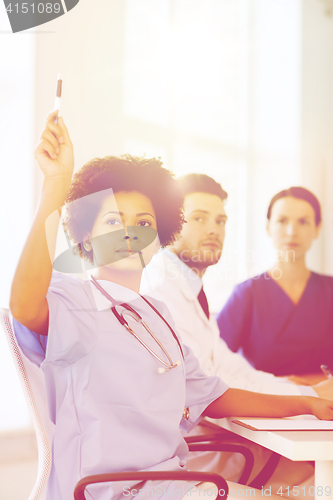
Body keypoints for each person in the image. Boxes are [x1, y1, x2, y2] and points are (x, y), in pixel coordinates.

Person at [10, 114, 333, 500]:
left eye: (144, 222)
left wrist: (307, 404)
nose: (131, 232)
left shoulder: (157, 313)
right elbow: (25, 307)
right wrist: (55, 187)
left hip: (175, 485)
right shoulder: (75, 299)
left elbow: (213, 396)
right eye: (114, 220)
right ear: (86, 240)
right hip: (115, 492)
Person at [141, 174, 333, 492]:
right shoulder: (161, 289)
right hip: (193, 453)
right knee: (319, 483)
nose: (214, 229)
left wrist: (308, 393)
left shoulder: (188, 290)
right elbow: (209, 390)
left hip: (217, 440)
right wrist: (307, 397)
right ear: (170, 225)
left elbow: (230, 367)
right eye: (199, 218)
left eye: (221, 220)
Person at [217, 187, 333, 377]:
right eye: (282, 220)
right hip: (267, 403)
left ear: (317, 229)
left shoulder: (330, 291)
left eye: (303, 222)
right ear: (268, 227)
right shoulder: (246, 294)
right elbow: (216, 364)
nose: (291, 231)